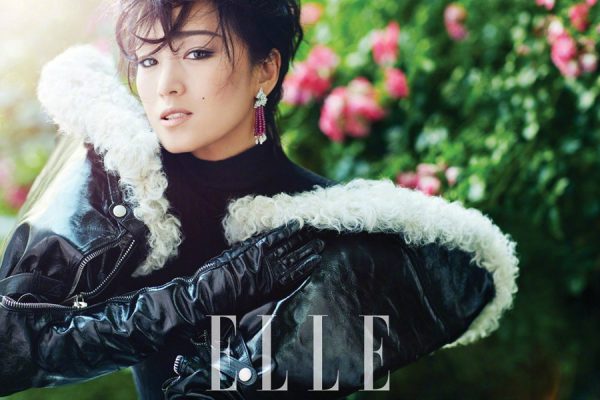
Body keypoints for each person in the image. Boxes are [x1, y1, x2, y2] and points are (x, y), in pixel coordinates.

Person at [0, 0, 520, 398]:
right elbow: (12, 349)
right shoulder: (126, 195)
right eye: (148, 59)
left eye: (197, 53)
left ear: (266, 69)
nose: (166, 85)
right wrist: (198, 296)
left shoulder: (334, 229)